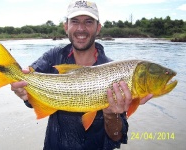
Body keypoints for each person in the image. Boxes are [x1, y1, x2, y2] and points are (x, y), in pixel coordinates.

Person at [11, 0, 153, 149]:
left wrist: (111, 115)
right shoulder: (53, 57)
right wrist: (21, 88)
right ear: (66, 27)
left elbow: (116, 136)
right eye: (75, 21)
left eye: (88, 22)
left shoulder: (116, 74)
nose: (81, 28)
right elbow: (27, 82)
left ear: (98, 28)